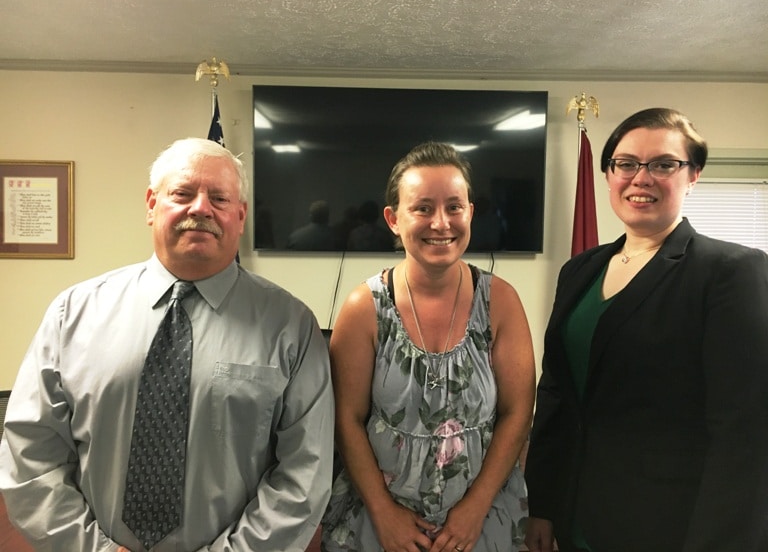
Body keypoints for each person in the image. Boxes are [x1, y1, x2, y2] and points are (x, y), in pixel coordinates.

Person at [0, 137, 334, 551]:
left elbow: (305, 472)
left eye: (219, 198)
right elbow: (31, 456)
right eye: (182, 193)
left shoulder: (292, 327)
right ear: (150, 204)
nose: (200, 208)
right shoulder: (73, 313)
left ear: (241, 216)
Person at [524, 108, 768, 552]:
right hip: (577, 510)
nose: (642, 178)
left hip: (672, 524)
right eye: (627, 163)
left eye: (663, 164)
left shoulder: (730, 271)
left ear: (693, 174)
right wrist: (541, 502)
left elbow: (744, 432)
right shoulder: (579, 270)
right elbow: (557, 392)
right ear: (608, 174)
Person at [322, 142, 535, 552]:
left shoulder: (501, 302)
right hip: (378, 522)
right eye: (422, 208)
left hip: (481, 519)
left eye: (454, 207)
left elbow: (517, 412)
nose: (441, 223)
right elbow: (346, 419)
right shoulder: (363, 308)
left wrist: (475, 509)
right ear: (393, 219)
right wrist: (384, 515)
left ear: (470, 212)